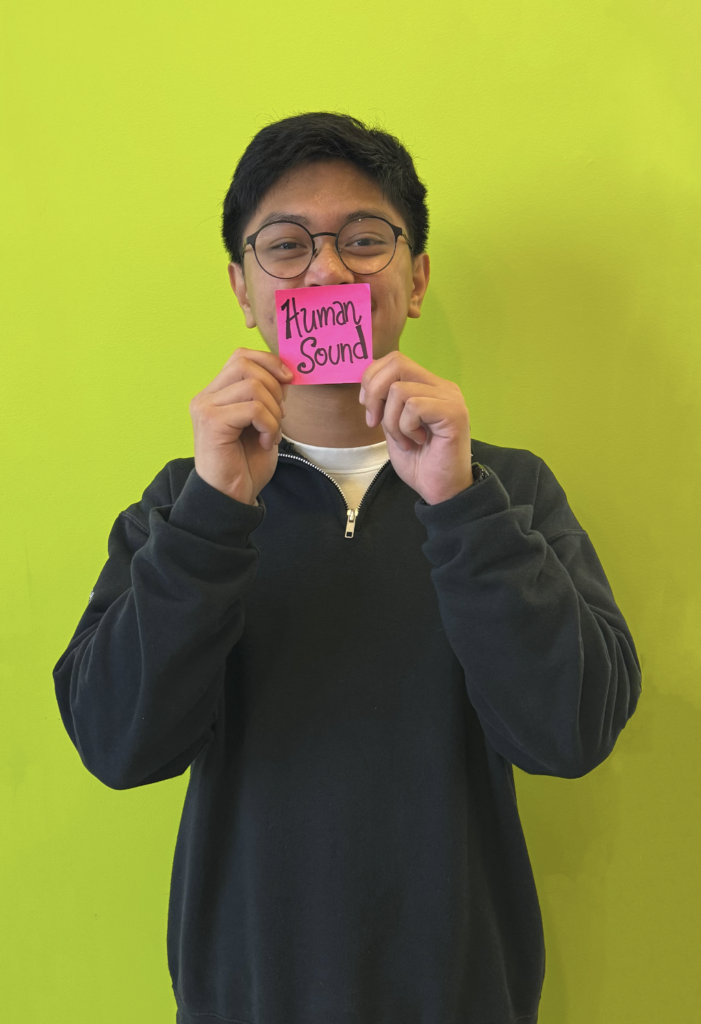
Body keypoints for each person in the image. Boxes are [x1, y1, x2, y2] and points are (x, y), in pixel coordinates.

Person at [53, 112, 642, 1024]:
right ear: (243, 289)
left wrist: (459, 502)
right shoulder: (181, 501)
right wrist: (215, 509)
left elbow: (569, 736)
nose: (328, 269)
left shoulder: (508, 489)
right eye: (287, 245)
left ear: (416, 277)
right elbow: (118, 745)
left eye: (364, 240)